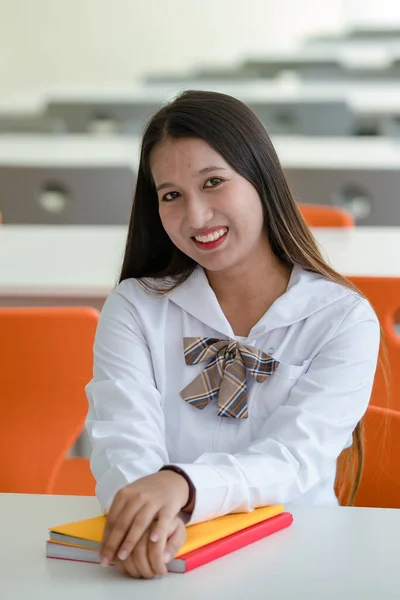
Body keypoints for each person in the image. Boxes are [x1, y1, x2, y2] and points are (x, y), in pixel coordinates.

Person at [85, 90, 380, 579]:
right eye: (171, 195)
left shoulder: (343, 319)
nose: (196, 217)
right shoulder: (136, 307)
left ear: (261, 180)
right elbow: (122, 438)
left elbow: (293, 458)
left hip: (300, 559)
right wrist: (145, 521)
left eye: (214, 182)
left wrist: (182, 487)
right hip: (168, 558)